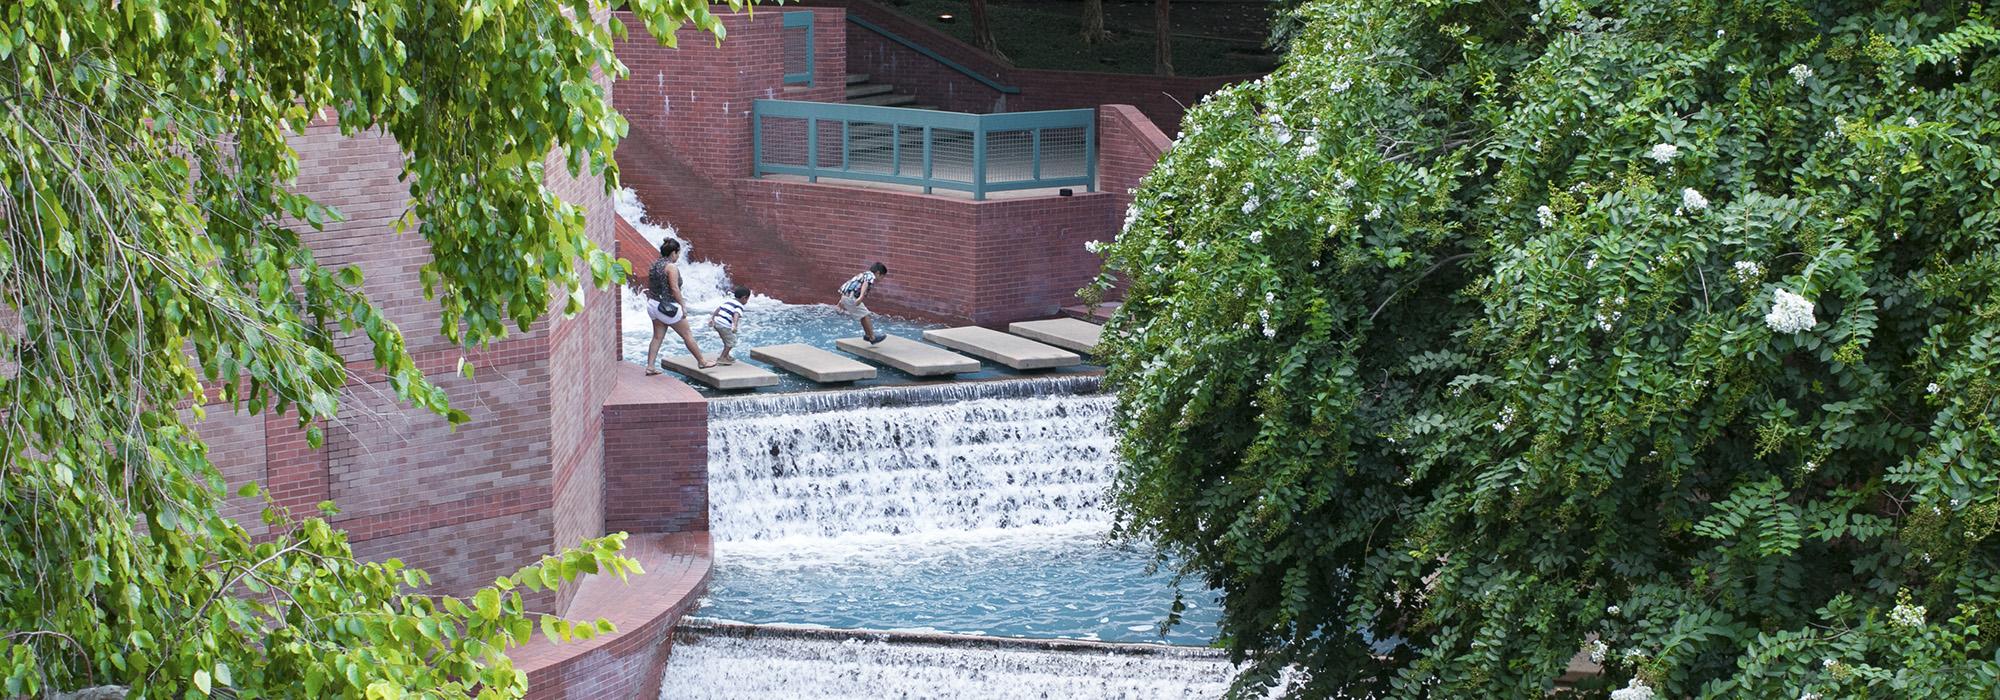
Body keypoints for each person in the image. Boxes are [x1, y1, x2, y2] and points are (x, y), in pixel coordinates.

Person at [644, 239, 713, 374]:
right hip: (667, 308)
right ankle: (702, 362)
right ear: (673, 253)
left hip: (653, 304)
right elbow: (675, 289)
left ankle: (650, 367)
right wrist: (683, 306)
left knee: (657, 337)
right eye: (678, 253)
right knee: (687, 334)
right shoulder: (671, 267)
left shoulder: (655, 264)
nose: (678, 256)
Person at [838, 262, 889, 344]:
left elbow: (850, 284)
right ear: (878, 273)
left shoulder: (863, 274)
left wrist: (841, 301)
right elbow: (865, 284)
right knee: (865, 315)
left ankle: (868, 335)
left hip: (846, 296)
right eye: (882, 277)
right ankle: (872, 337)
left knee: (863, 316)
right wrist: (861, 296)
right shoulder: (870, 276)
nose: (882, 279)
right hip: (852, 298)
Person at [710, 285, 751, 365]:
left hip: (717, 323)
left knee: (727, 340)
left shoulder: (728, 301)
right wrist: (734, 325)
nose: (747, 301)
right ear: (744, 298)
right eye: (747, 299)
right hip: (724, 325)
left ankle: (726, 355)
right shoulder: (739, 306)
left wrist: (712, 318)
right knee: (732, 342)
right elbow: (736, 315)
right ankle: (722, 358)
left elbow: (718, 309)